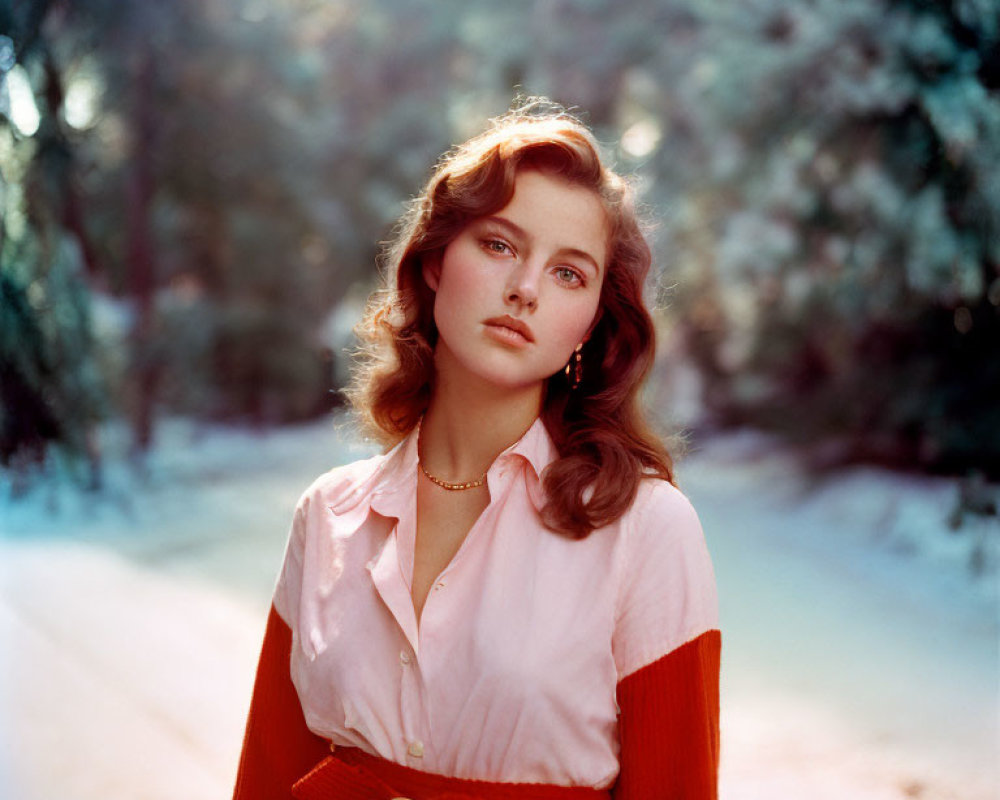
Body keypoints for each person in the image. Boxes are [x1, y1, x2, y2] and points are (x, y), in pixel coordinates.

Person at [233, 99, 720, 800]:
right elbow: (267, 780)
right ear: (435, 261)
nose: (524, 289)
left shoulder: (647, 530)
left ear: (589, 325)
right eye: (499, 245)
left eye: (569, 273)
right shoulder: (326, 516)